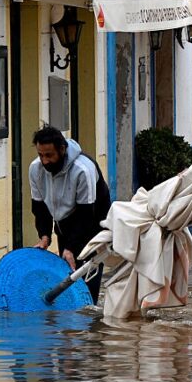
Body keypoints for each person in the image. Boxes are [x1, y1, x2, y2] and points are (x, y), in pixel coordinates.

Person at [29, 125, 111, 304]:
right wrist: (44, 236)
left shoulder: (83, 169)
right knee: (67, 273)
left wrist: (71, 248)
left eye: (49, 155)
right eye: (41, 155)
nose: (45, 161)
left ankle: (89, 316)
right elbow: (39, 207)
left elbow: (86, 215)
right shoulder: (35, 169)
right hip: (63, 222)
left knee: (87, 273)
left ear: (62, 149)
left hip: (93, 221)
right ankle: (69, 322)